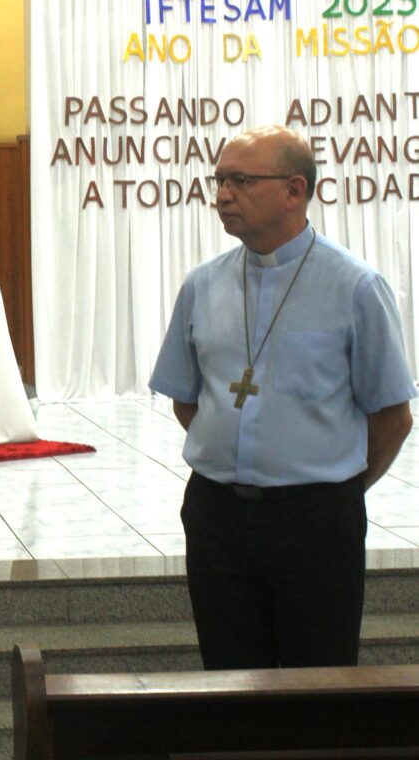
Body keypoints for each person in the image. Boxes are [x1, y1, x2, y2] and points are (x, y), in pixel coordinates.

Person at [149, 125, 415, 670]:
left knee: (317, 686)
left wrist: (334, 486)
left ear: (295, 191)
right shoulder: (202, 285)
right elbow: (187, 400)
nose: (222, 194)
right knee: (228, 678)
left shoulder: (356, 287)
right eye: (219, 180)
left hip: (317, 519)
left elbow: (392, 416)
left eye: (241, 181)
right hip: (216, 515)